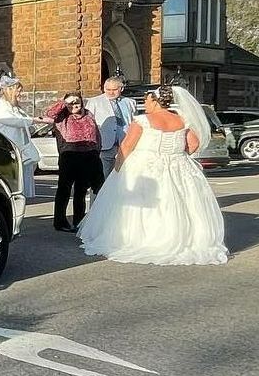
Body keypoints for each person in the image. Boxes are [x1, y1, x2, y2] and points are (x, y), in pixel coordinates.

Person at [77, 85, 228, 265]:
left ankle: (141, 239)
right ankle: (181, 239)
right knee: (179, 202)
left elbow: (126, 146)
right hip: (178, 164)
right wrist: (177, 153)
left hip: (144, 165)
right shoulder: (182, 120)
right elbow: (193, 144)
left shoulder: (142, 121)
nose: (145, 104)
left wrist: (118, 170)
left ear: (156, 101)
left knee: (141, 204)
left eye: (147, 100)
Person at [45, 92, 104, 232]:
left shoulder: (88, 114)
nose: (74, 105)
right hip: (69, 154)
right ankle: (60, 222)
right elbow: (50, 114)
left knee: (81, 190)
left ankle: (79, 221)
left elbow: (96, 133)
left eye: (77, 102)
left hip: (89, 155)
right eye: (71, 103)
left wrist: (97, 149)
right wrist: (65, 103)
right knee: (64, 189)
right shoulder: (63, 115)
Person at [0, 74, 43, 198]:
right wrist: (34, 120)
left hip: (21, 150)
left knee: (22, 183)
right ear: (9, 90)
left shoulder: (17, 109)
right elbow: (11, 121)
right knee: (12, 188)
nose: (20, 93)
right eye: (18, 90)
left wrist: (33, 126)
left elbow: (24, 123)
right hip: (8, 151)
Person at [86, 75, 137, 178]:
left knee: (124, 178)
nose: (110, 92)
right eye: (107, 89)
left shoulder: (130, 102)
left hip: (124, 146)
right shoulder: (94, 102)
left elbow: (132, 123)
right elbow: (88, 125)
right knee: (101, 179)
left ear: (121, 89)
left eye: (114, 90)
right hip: (104, 146)